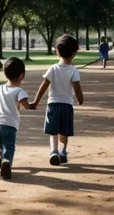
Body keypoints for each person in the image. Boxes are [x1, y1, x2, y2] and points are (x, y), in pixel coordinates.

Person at [31, 34, 84, 166]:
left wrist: (35, 102)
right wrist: (80, 99)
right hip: (66, 105)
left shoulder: (53, 69)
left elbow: (43, 87)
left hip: (53, 104)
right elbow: (77, 88)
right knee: (64, 131)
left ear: (57, 51)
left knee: (53, 131)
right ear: (74, 53)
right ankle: (63, 151)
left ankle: (54, 151)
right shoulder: (74, 71)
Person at [0, 56, 33, 180]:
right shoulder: (19, 91)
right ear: (22, 76)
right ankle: (6, 161)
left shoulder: (0, 88)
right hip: (10, 124)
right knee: (9, 146)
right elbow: (26, 105)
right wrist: (32, 105)